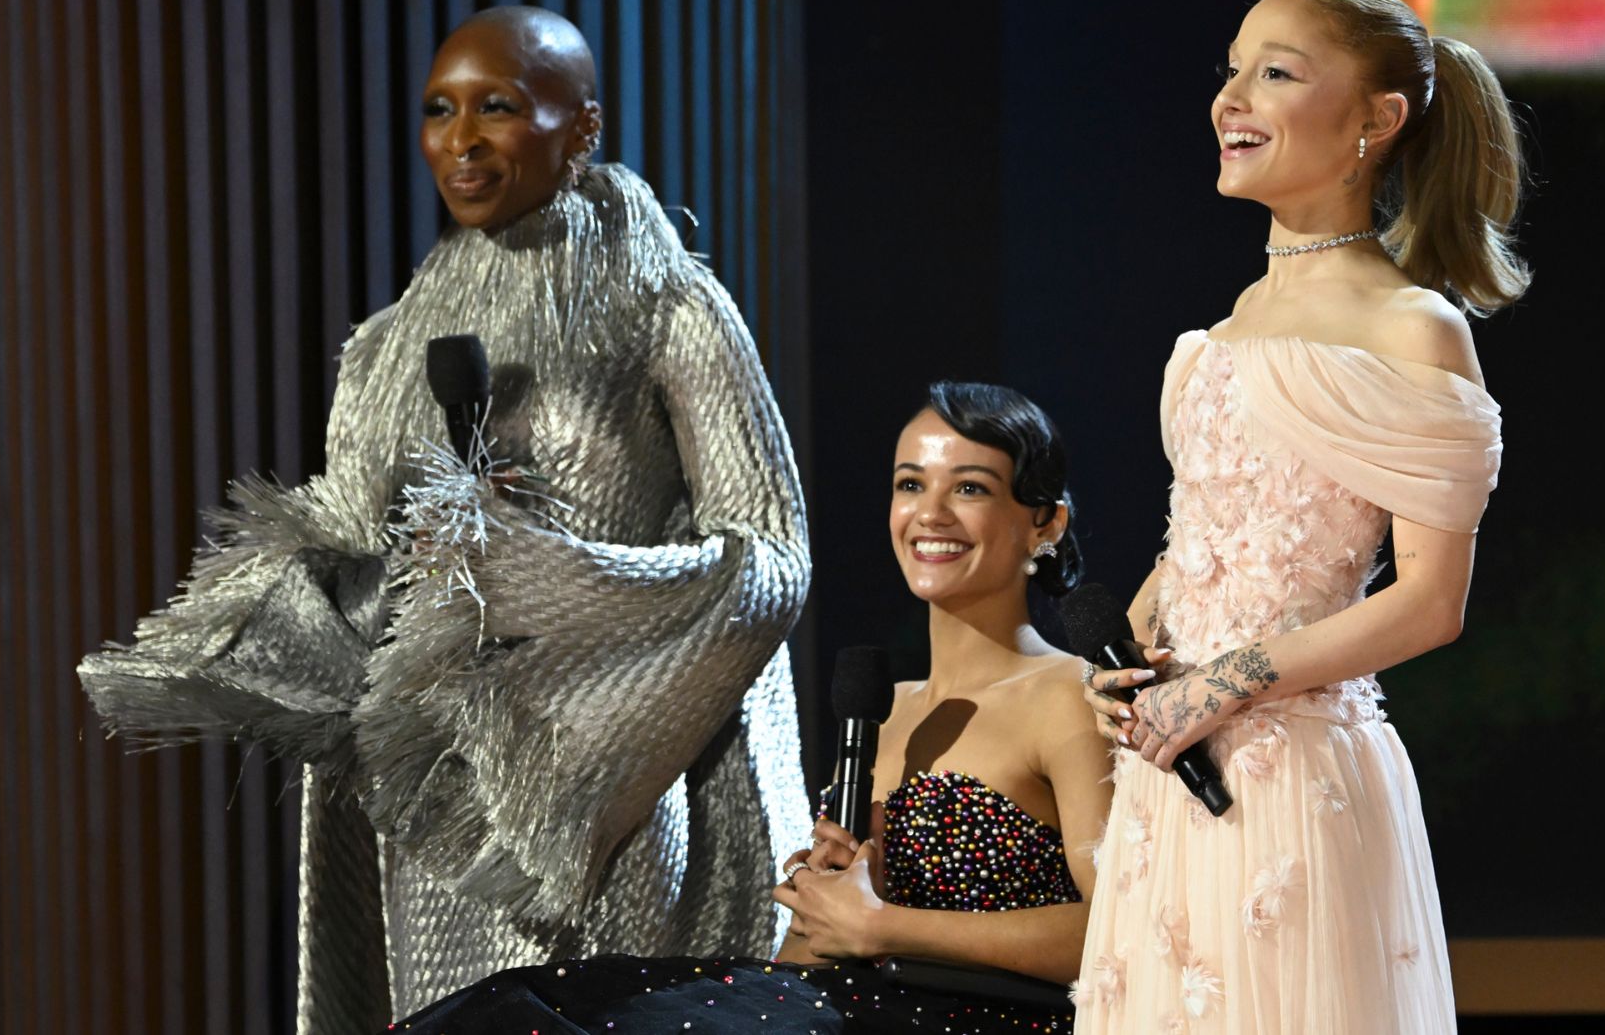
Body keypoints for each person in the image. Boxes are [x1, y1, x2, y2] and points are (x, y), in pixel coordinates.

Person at [76, 6, 812, 1030]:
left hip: (607, 807)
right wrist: (277, 604)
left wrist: (543, 573)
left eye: (497, 107)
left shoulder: (671, 311)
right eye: (439, 110)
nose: (459, 140)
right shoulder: (381, 349)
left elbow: (772, 562)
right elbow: (357, 561)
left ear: (582, 127)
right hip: (433, 820)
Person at [1075, 0, 1520, 1033]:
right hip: (1169, 782)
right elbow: (1203, 544)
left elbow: (1428, 603)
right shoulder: (1221, 332)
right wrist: (1129, 657)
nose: (1232, 97)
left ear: (1375, 120)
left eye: (1274, 73)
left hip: (1290, 782)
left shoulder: (1412, 329)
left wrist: (1228, 682)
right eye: (1231, 68)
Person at [395, 381, 1112, 1034]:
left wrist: (884, 925)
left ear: (1045, 522)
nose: (929, 513)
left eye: (971, 488)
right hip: (839, 1004)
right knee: (512, 1010)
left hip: (981, 1019)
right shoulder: (880, 707)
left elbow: (1118, 925)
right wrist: (821, 904)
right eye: (909, 483)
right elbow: (811, 955)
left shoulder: (1068, 695)